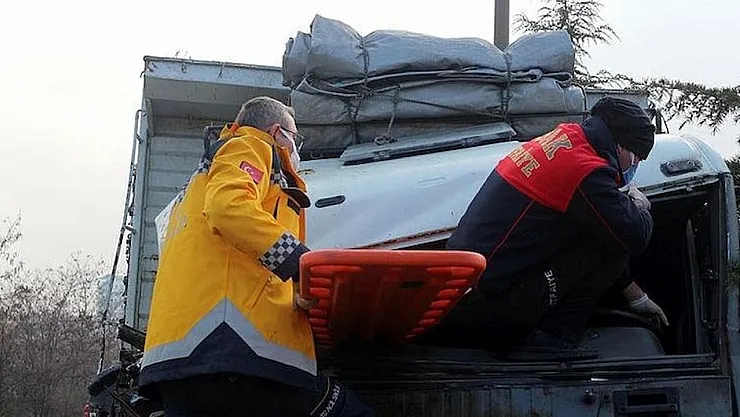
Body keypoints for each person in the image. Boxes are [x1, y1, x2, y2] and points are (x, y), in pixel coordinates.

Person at [139, 96, 374, 416]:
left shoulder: (195, 188)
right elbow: (229, 208)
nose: (296, 149)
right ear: (277, 132)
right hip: (232, 350)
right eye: (295, 138)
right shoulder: (249, 145)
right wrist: (300, 264)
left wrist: (298, 294)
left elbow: (229, 264)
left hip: (182, 362)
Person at [428, 97, 669, 361]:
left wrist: (636, 297)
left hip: (460, 293)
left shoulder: (563, 140)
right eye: (637, 158)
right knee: (615, 240)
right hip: (490, 308)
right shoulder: (586, 171)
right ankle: (553, 341)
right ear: (621, 146)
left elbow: (598, 228)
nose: (634, 166)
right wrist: (639, 205)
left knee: (601, 229)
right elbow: (633, 237)